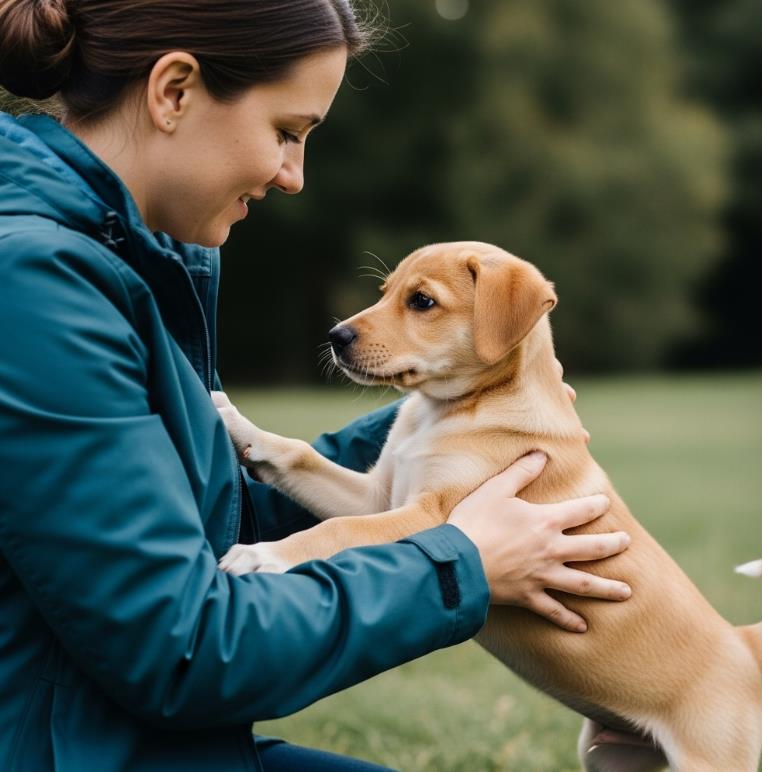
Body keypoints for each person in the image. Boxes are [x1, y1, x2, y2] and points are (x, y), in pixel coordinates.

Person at [0, 2, 632, 770]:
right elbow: (185, 651)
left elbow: (207, 533)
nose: (294, 177)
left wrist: (470, 417)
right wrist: (459, 562)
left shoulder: (132, 258)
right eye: (286, 132)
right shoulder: (37, 286)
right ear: (173, 92)